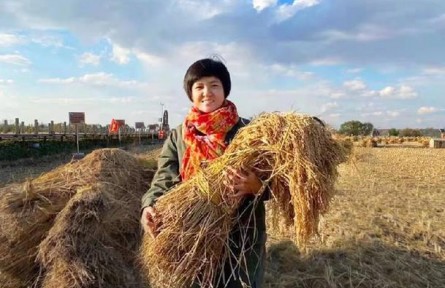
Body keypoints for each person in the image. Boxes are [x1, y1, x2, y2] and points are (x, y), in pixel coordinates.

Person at [140, 58, 267, 288]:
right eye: (199, 87)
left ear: (225, 90)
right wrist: (150, 204)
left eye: (214, 85)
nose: (207, 92)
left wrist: (257, 186)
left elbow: (278, 180)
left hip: (241, 238)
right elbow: (164, 178)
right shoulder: (179, 136)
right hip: (193, 235)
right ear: (191, 93)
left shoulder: (249, 133)